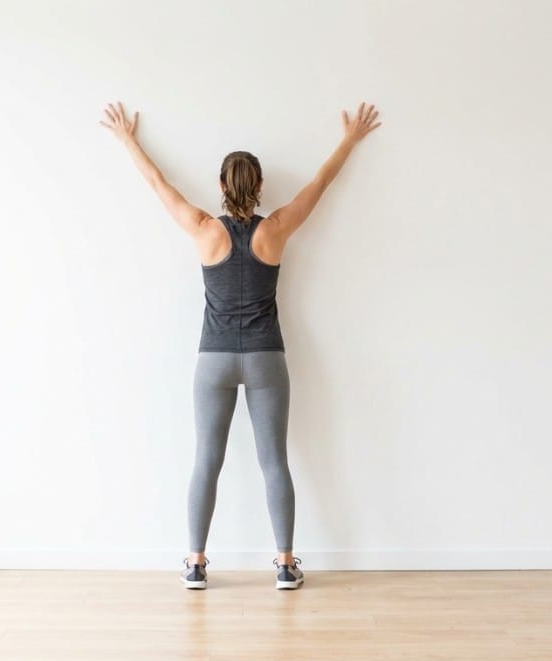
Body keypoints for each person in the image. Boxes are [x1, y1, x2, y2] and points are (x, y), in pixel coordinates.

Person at [99, 100, 381, 590]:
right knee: (274, 460)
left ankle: (195, 563)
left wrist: (128, 139)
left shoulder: (205, 229)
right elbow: (319, 184)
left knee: (206, 459)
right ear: (261, 187)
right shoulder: (275, 230)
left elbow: (157, 184)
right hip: (267, 357)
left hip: (214, 359)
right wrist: (349, 140)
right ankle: (286, 564)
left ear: (224, 187)